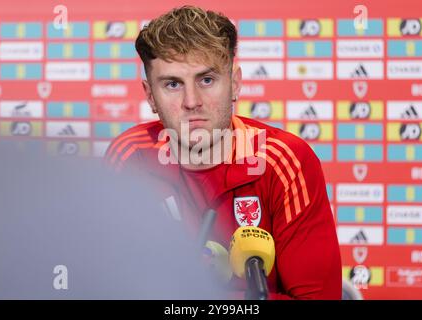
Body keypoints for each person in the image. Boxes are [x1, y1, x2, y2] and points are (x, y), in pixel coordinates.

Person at [105, 5, 342, 299]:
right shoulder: (129, 158)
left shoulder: (285, 161)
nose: (192, 101)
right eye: (172, 84)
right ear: (151, 96)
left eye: (207, 80)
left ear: (235, 84)